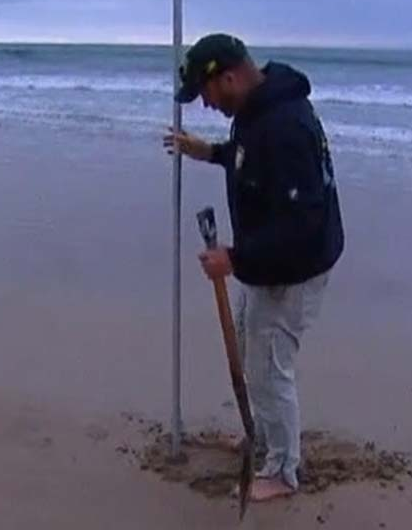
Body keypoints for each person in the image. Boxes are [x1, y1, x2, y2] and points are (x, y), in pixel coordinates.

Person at [163, 33, 344, 502]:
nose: (206, 105)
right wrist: (212, 153)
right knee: (252, 352)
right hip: (268, 265)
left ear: (228, 77)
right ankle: (266, 439)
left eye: (206, 95)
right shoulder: (256, 111)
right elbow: (250, 161)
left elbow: (302, 224)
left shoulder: (283, 126)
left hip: (292, 271)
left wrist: (235, 259)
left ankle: (283, 471)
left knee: (268, 370)